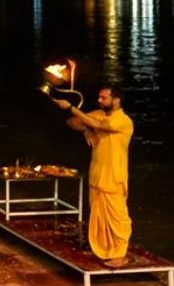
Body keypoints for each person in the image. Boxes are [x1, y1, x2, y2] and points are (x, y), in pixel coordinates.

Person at [56, 87, 133, 266]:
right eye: (99, 97)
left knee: (117, 216)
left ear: (116, 100)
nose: (99, 100)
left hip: (114, 176)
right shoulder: (98, 114)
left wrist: (71, 107)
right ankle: (105, 249)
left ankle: (120, 254)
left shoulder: (123, 121)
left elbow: (99, 126)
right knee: (99, 216)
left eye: (104, 97)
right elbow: (72, 122)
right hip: (97, 174)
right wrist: (86, 129)